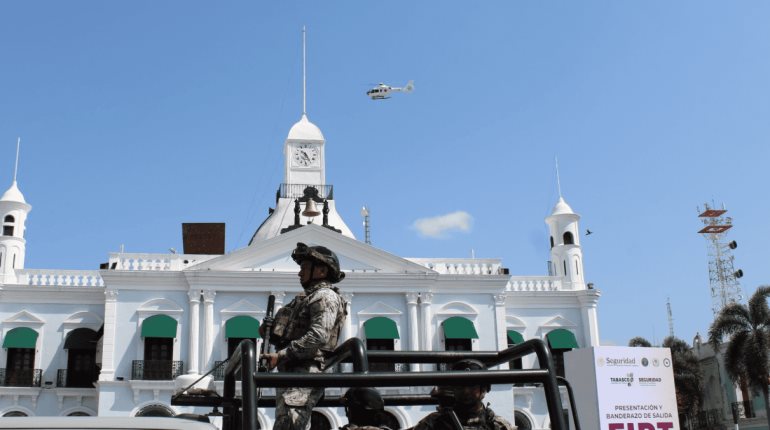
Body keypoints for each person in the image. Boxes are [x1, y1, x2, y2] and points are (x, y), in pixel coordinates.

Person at [260, 242, 348, 430]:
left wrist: (282, 355)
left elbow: (318, 336)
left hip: (306, 371)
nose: (300, 273)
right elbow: (284, 332)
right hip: (292, 372)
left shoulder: (325, 296)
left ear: (322, 271)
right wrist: (269, 330)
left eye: (305, 268)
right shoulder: (304, 299)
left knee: (290, 425)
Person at [410, 359, 515, 430]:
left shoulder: (497, 425)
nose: (466, 391)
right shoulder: (434, 422)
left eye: (472, 386)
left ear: (483, 389)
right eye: (460, 385)